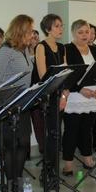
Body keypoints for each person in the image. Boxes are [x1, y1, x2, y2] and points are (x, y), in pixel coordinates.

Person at [0, 14, 33, 192]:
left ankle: (18, 180)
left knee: (23, 144)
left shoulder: (25, 50)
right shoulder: (6, 51)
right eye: (29, 31)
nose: (32, 34)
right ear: (20, 31)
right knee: (9, 146)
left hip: (23, 104)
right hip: (7, 106)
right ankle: (11, 183)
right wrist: (10, 93)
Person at [62, 19, 96, 175]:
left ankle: (87, 158)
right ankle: (68, 163)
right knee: (71, 130)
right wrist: (80, 89)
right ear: (73, 33)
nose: (85, 35)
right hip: (75, 96)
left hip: (93, 96)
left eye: (87, 32)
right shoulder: (67, 49)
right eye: (81, 32)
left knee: (88, 129)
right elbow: (67, 75)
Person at [33, 13, 67, 173]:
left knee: (57, 134)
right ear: (48, 29)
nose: (61, 29)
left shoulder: (62, 47)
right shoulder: (41, 47)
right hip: (47, 97)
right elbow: (43, 77)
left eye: (61, 26)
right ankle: (48, 172)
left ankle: (54, 170)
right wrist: (58, 96)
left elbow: (66, 74)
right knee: (51, 134)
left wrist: (64, 96)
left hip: (59, 95)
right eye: (57, 26)